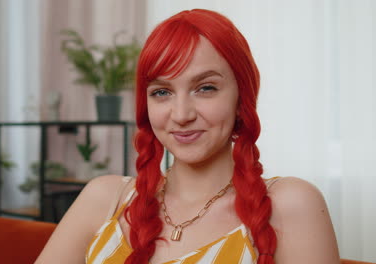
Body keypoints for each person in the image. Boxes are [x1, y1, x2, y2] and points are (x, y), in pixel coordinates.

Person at [35, 9, 340, 264]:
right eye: (162, 92)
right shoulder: (105, 198)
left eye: (205, 88)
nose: (181, 114)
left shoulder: (290, 203)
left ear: (241, 99)